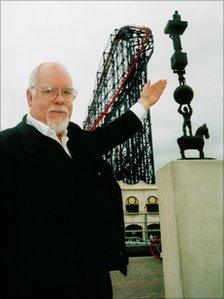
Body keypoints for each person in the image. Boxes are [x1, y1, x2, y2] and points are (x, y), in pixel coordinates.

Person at [0, 62, 167, 298]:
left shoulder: (77, 139)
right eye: (49, 91)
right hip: (37, 283)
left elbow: (114, 132)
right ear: (30, 96)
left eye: (67, 93)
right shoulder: (7, 146)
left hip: (94, 278)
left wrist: (144, 103)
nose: (60, 99)